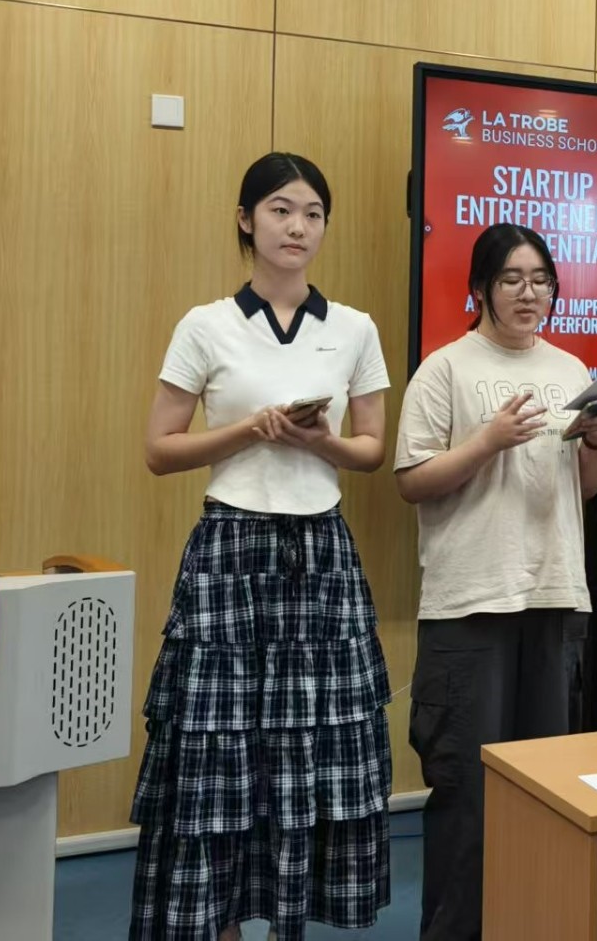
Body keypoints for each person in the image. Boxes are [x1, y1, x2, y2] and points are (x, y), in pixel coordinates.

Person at [129, 153, 393, 941]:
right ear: (246, 219)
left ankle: (287, 923)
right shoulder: (206, 323)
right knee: (220, 750)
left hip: (321, 550)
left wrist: (320, 441)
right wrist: (250, 428)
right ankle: (220, 925)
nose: (297, 226)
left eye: (313, 213)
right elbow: (159, 449)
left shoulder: (354, 328)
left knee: (309, 745)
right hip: (230, 548)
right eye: (280, 209)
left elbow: (371, 449)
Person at [394, 223, 597, 941]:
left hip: (554, 597)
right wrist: (487, 441)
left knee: (544, 791)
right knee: (469, 796)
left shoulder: (571, 369)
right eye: (512, 278)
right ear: (480, 288)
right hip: (471, 603)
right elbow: (411, 481)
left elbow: (585, 488)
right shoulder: (445, 369)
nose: (529, 292)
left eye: (542, 279)